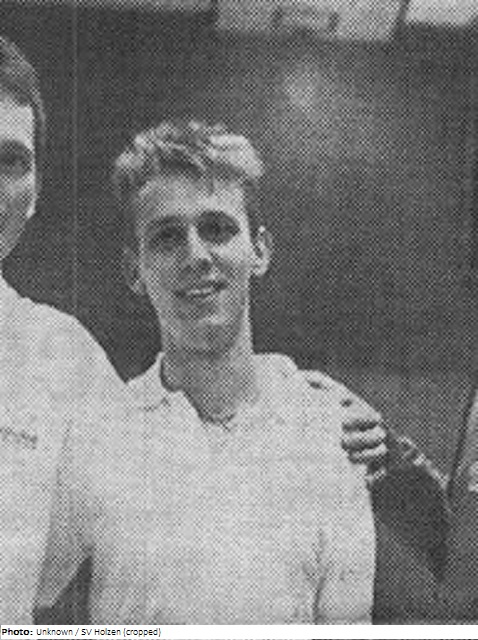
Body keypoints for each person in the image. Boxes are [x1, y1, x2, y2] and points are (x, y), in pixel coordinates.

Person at [36, 120, 379, 624]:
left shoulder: (328, 429)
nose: (195, 255)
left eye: (216, 228)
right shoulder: (95, 433)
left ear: (259, 250)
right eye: (167, 237)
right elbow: (18, 602)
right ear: (134, 270)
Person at [0, 35, 120, 623]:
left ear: (34, 193)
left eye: (11, 161)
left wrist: (302, 408)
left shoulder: (64, 357)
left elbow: (188, 476)